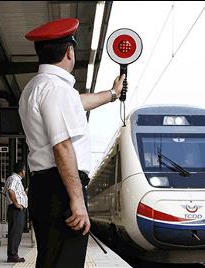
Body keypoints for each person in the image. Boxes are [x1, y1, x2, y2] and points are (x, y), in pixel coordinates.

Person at [19, 18, 125, 268]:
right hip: (62, 188)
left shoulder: (36, 87)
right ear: (69, 51)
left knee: (50, 260)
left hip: (44, 187)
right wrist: (76, 200)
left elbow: (79, 103)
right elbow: (62, 146)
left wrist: (112, 95)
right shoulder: (57, 89)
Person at [4, 161, 28, 263]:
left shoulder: (13, 178)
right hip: (16, 209)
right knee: (15, 232)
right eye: (25, 170)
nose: (25, 172)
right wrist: (16, 204)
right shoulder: (15, 179)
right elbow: (11, 190)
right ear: (22, 171)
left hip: (15, 209)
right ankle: (13, 255)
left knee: (15, 232)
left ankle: (13, 254)